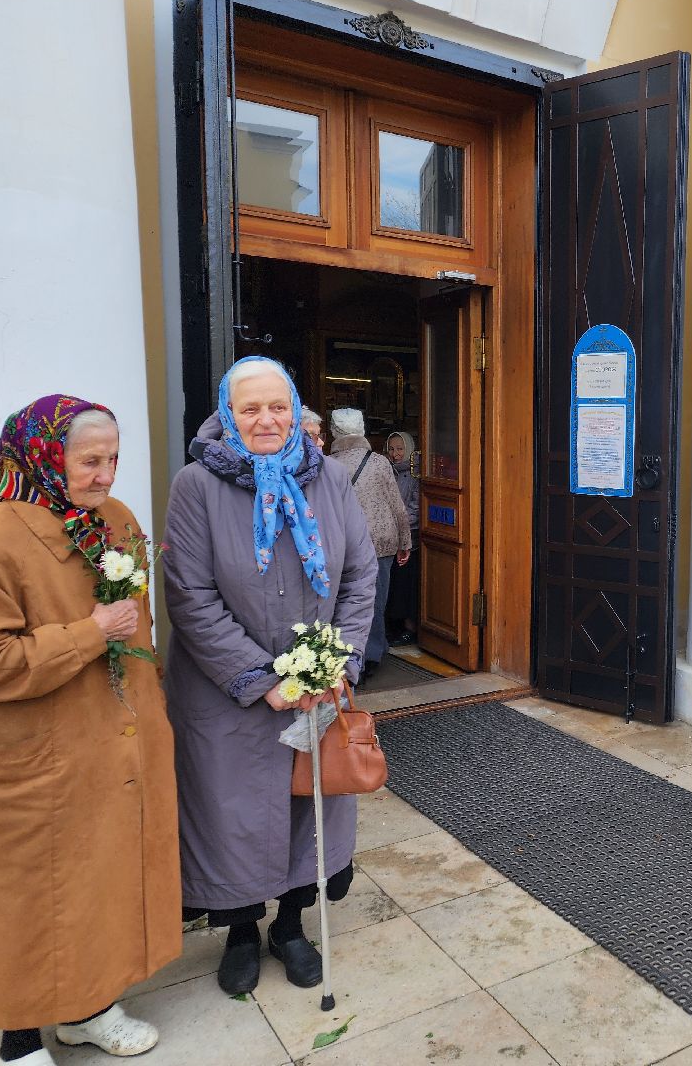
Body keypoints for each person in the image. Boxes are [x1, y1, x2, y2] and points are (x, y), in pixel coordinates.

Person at [0, 396, 178, 1064]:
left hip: (111, 743)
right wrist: (87, 634)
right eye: (89, 460)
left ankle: (87, 1008)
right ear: (44, 455)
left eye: (113, 460)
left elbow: (140, 629)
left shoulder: (118, 522)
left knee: (95, 882)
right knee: (28, 896)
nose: (105, 475)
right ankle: (17, 1040)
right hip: (32, 756)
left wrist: (149, 706)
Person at [163, 357, 377, 996]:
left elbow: (362, 575)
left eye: (277, 407)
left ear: (295, 410)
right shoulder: (197, 485)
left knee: (306, 806)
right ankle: (238, 931)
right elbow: (189, 595)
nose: (266, 420)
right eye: (250, 408)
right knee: (235, 816)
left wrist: (335, 661)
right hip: (230, 694)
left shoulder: (331, 479)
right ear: (228, 414)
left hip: (320, 682)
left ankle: (289, 926)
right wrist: (262, 678)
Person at [328, 408, 411, 675]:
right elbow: (397, 506)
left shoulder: (327, 464)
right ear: (362, 429)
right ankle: (372, 654)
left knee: (346, 600)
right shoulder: (378, 462)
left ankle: (350, 656)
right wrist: (405, 542)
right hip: (382, 541)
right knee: (375, 599)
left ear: (334, 432)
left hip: (344, 543)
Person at [384, 430, 421, 646]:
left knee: (406, 587)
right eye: (391, 449)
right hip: (390, 539)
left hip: (409, 539)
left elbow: (415, 509)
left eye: (400, 449)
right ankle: (394, 627)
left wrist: (397, 525)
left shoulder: (416, 474)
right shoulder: (387, 471)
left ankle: (410, 628)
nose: (395, 454)